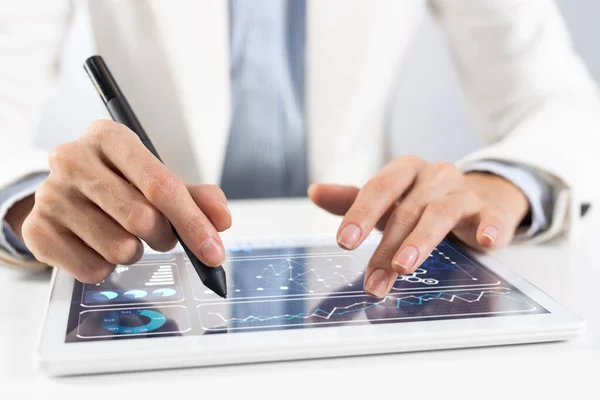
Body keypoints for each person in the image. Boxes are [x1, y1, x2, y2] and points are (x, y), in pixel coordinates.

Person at [1, 1, 599, 299]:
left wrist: (502, 182)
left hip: (354, 276)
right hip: (154, 275)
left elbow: (557, 99)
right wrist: (31, 206)